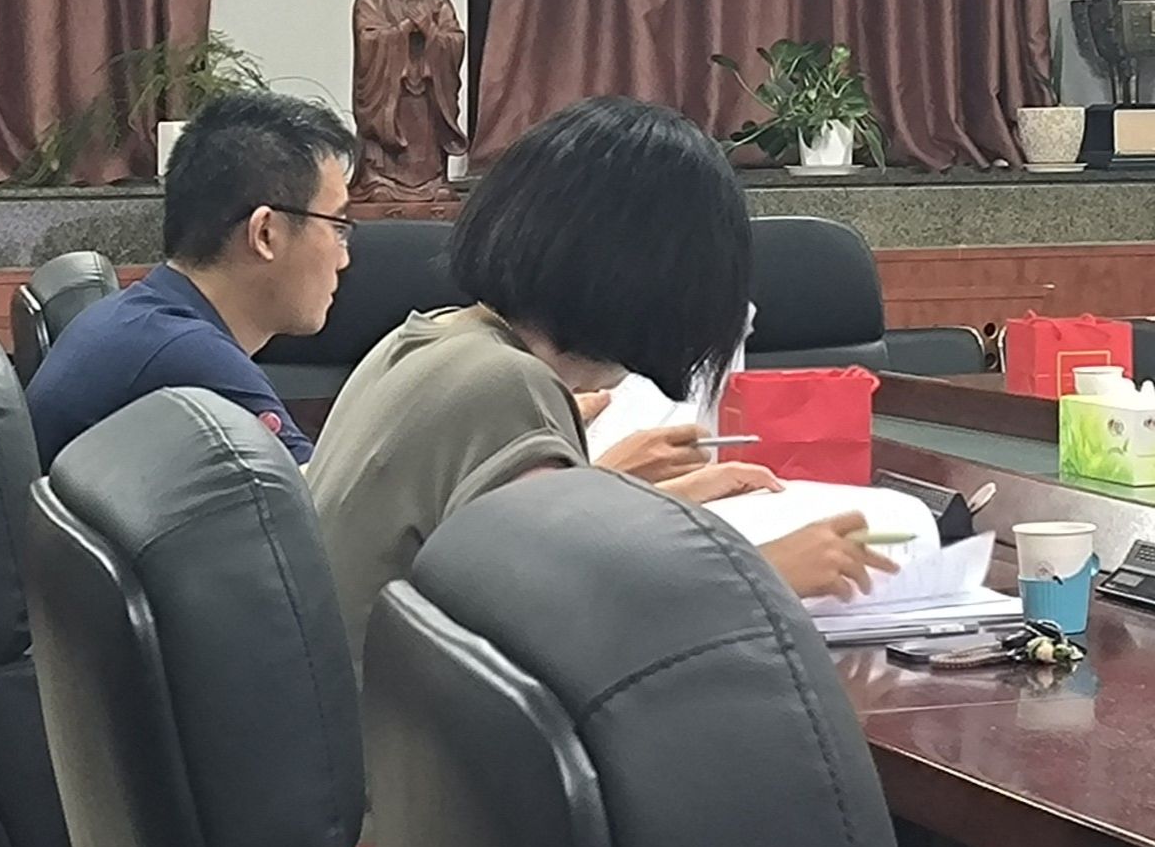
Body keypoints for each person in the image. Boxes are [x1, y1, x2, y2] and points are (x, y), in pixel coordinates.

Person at [305, 94, 884, 668]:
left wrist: (610, 492)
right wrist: (765, 575)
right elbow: (570, 638)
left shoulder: (426, 339)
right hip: (403, 725)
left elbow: (496, 548)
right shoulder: (505, 384)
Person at [26, 91, 352, 466]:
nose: (344, 259)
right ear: (265, 234)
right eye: (338, 227)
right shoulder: (191, 359)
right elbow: (323, 498)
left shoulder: (148, 320)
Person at [350, 0, 466, 199]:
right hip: (390, 92)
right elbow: (367, 39)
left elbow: (455, 39)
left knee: (428, 136)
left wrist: (428, 29)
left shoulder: (438, 1)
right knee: (384, 141)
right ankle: (379, 181)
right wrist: (403, 29)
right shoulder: (370, 0)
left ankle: (433, 182)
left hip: (428, 91)